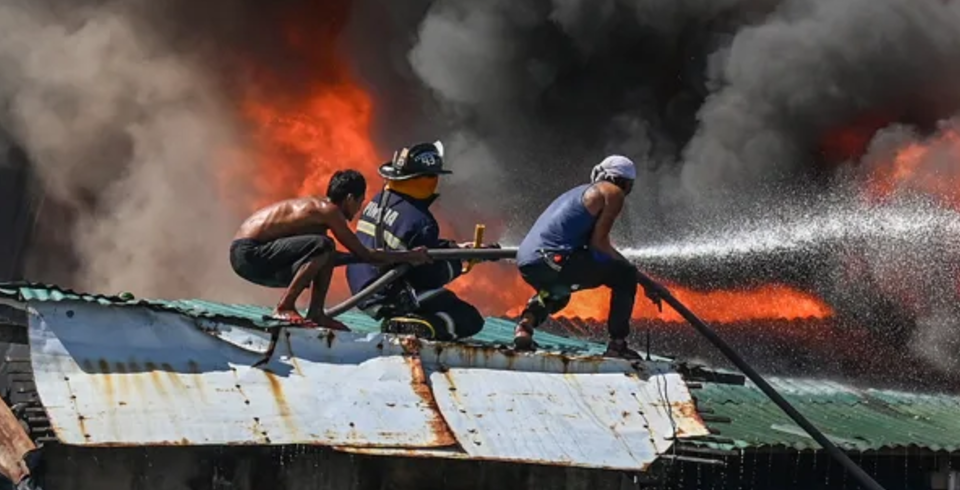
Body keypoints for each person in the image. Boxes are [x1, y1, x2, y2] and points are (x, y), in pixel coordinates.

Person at [230, 170, 427, 327]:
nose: (359, 209)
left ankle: (316, 313)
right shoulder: (329, 211)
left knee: (326, 250)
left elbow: (331, 257)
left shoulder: (319, 213)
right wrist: (409, 255)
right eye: (360, 202)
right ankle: (284, 306)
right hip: (249, 253)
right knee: (325, 245)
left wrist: (357, 258)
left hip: (251, 256)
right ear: (350, 198)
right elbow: (364, 254)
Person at [345, 141, 486, 341]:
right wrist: (455, 263)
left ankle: (403, 320)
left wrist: (455, 248)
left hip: (361, 287)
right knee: (469, 318)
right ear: (426, 180)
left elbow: (408, 244)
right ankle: (422, 326)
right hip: (389, 293)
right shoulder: (422, 221)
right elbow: (427, 277)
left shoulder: (378, 200)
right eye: (434, 176)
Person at [515, 155, 650, 355]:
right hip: (553, 260)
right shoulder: (612, 192)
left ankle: (524, 328)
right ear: (625, 183)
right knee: (625, 274)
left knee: (558, 291)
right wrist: (639, 276)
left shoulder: (578, 193)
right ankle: (618, 344)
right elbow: (599, 245)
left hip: (528, 262)